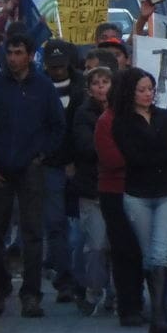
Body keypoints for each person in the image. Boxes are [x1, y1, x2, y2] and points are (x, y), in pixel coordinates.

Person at [0, 31, 67, 318]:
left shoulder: (43, 87)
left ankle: (31, 294)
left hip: (30, 169)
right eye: (9, 53)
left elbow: (57, 127)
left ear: (30, 55)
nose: (13, 58)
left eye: (19, 52)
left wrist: (41, 156)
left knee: (33, 232)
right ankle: (0, 287)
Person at [111, 66, 167, 333]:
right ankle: (157, 306)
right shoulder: (122, 123)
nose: (147, 94)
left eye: (151, 89)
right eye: (141, 90)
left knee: (160, 252)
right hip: (138, 195)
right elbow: (136, 158)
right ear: (130, 92)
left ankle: (159, 313)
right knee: (148, 254)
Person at [92, 77, 145, 326]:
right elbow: (112, 159)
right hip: (115, 191)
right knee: (124, 250)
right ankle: (128, 305)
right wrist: (145, 157)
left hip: (143, 191)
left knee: (141, 250)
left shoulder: (142, 118)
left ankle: (141, 301)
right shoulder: (107, 121)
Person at [39, 40, 84, 303]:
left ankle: (82, 279)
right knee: (55, 225)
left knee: (81, 227)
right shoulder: (38, 87)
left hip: (80, 166)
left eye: (61, 65)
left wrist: (75, 160)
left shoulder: (83, 87)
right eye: (53, 66)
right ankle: (64, 279)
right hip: (50, 166)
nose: (57, 71)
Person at [68, 63, 112, 316]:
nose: (101, 87)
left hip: (118, 188)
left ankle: (117, 294)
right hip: (91, 189)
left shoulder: (123, 112)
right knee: (96, 244)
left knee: (117, 245)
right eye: (96, 83)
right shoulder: (83, 114)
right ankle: (94, 290)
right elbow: (86, 147)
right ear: (89, 88)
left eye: (105, 82)